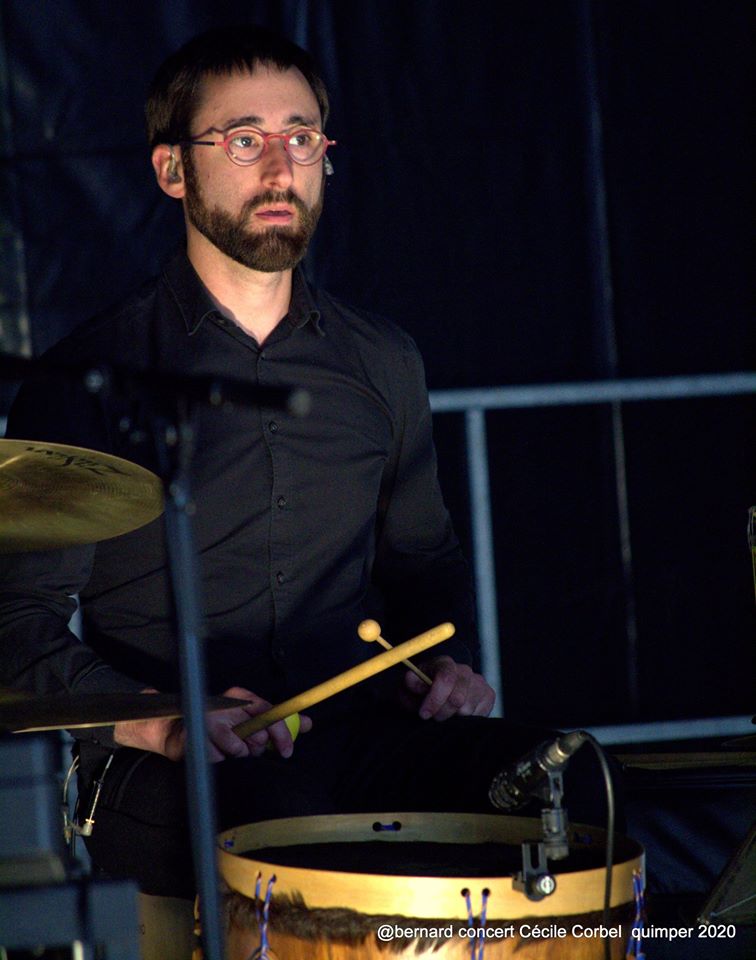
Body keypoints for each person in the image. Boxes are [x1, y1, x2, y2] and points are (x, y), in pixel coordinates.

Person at [0, 26, 606, 901]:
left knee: (574, 784)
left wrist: (445, 669)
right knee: (278, 825)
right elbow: (16, 628)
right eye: (245, 140)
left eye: (302, 137)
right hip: (178, 761)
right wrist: (162, 722)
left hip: (365, 738)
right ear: (173, 170)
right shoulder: (90, 381)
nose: (282, 167)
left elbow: (423, 567)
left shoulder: (383, 362)